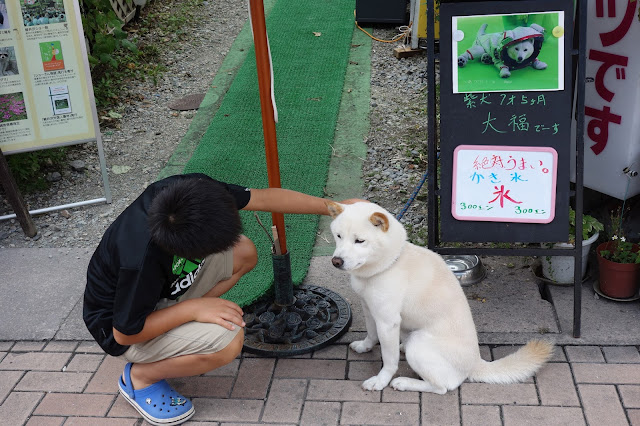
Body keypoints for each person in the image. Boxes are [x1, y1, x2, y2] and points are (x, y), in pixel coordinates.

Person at [83, 173, 361, 425]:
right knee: (227, 341)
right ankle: (140, 379)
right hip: (123, 327)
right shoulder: (140, 261)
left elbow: (264, 197)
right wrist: (193, 310)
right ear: (187, 248)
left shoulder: (192, 193)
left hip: (158, 296)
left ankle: (179, 325)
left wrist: (335, 207)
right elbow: (123, 334)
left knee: (243, 251)